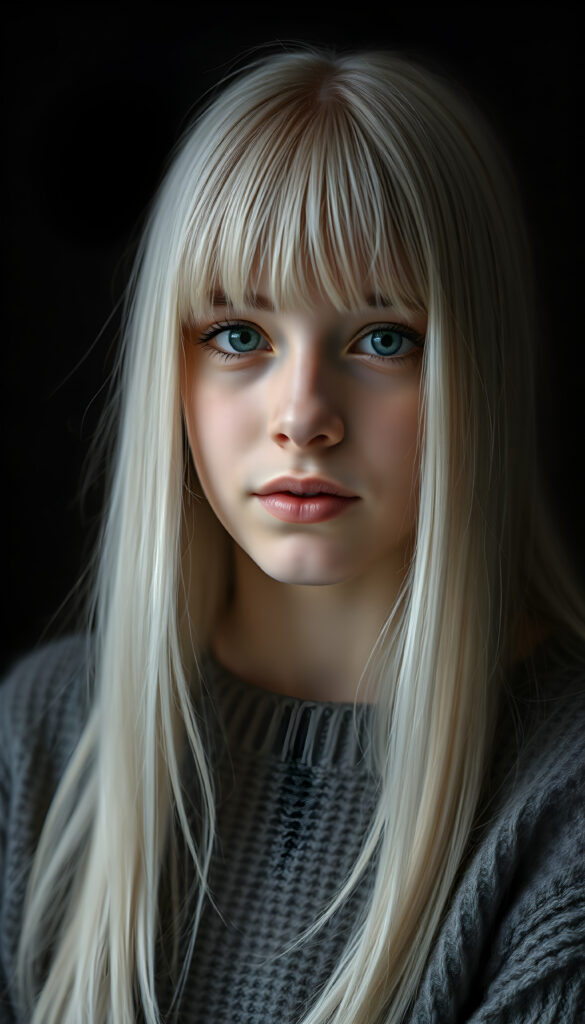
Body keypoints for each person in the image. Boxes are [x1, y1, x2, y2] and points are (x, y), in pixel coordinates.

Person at [1, 45, 584, 1024]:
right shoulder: (39, 737)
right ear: (170, 369)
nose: (303, 414)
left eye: (384, 338)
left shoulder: (561, 797)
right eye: (239, 335)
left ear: (478, 369)